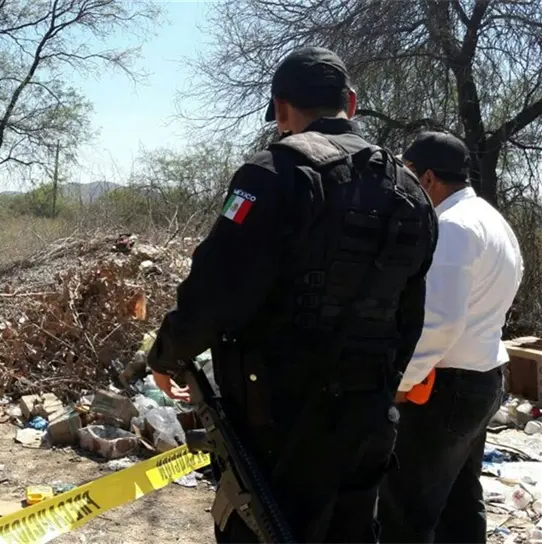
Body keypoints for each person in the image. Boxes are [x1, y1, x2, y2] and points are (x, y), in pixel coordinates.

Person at [146, 46, 438, 544]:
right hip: (368, 416)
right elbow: (410, 318)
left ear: (281, 109)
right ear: (351, 101)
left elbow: (216, 287)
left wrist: (167, 353)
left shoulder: (272, 173)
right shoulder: (411, 191)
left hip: (281, 421)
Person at [379, 132, 523, 544]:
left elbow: (439, 322)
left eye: (406, 174)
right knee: (460, 502)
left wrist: (402, 384)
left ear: (426, 179)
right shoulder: (490, 219)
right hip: (484, 376)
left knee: (406, 509)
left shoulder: (453, 227)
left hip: (446, 389)